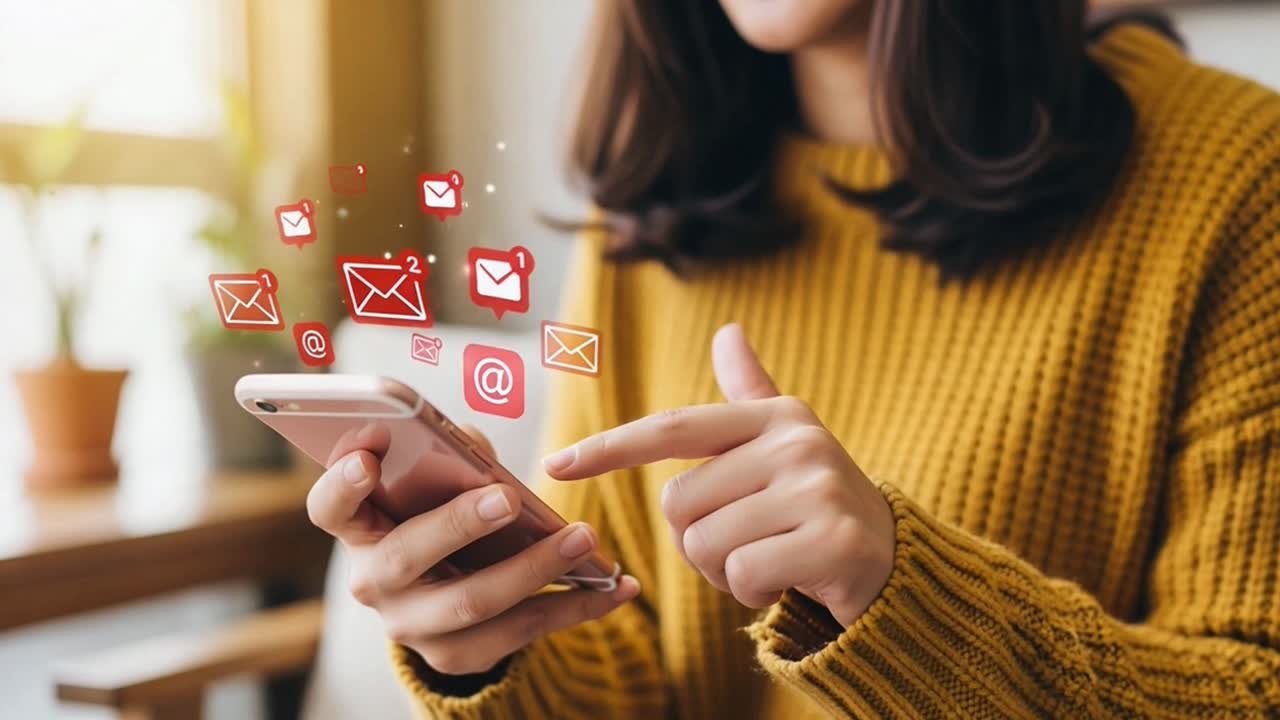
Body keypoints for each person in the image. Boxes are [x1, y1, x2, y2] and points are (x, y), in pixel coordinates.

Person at [306, 1, 1280, 717]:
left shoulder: (1234, 175)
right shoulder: (648, 208)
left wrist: (900, 591)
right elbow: (630, 665)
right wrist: (486, 646)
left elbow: (1252, 688)